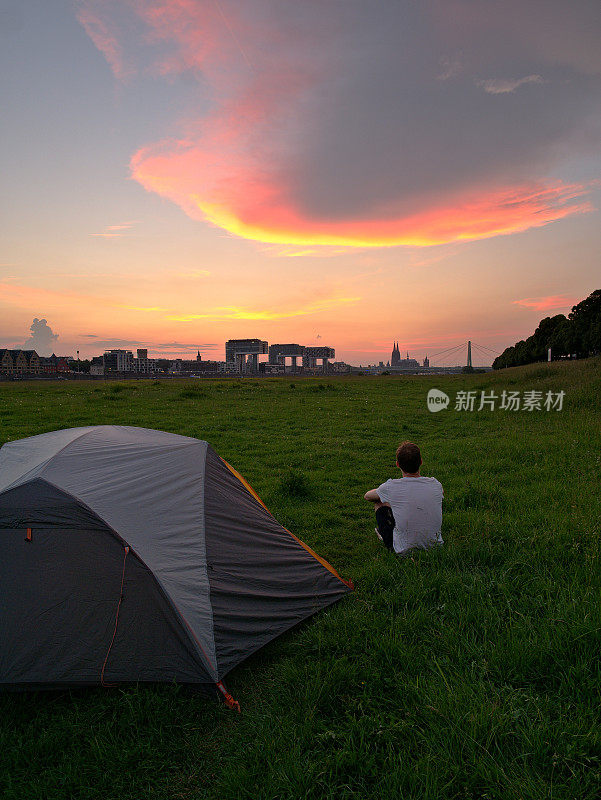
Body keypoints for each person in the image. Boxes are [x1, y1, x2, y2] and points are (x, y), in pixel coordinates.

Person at [364, 441, 443, 556]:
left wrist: (386, 495)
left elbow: (367, 496)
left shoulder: (391, 487)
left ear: (397, 464)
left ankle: (388, 540)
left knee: (379, 503)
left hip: (404, 551)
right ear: (421, 462)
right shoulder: (435, 484)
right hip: (435, 547)